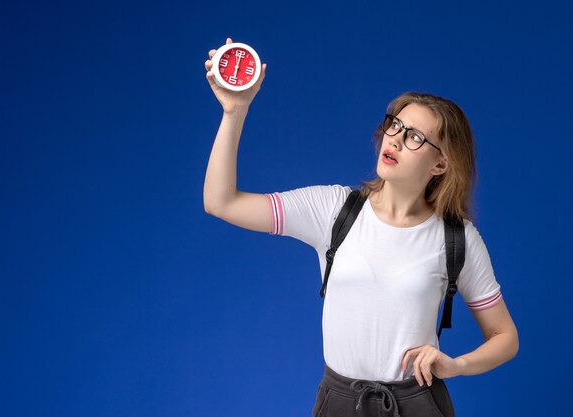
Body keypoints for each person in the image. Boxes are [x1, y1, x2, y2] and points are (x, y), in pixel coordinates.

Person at [203, 38, 519, 417]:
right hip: (338, 402)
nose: (396, 139)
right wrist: (235, 111)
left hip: (418, 404)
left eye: (415, 137)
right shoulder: (333, 210)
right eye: (395, 125)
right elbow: (221, 202)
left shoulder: (457, 238)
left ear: (441, 165)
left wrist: (456, 365)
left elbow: (505, 338)